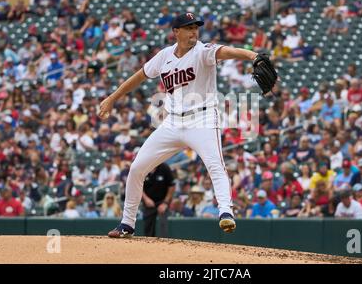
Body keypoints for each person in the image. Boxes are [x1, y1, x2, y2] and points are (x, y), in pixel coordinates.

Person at [100, 12, 262, 237]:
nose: (194, 31)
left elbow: (227, 51)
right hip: (172, 122)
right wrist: (111, 99)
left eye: (196, 27)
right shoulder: (164, 56)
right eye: (188, 27)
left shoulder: (202, 51)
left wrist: (253, 56)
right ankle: (127, 224)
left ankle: (225, 212)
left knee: (216, 165)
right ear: (176, 32)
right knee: (137, 168)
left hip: (202, 119)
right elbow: (138, 77)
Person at [141, 162, 175, 237]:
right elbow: (138, 185)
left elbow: (172, 186)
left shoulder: (164, 167)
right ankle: (148, 246)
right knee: (148, 228)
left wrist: (165, 203)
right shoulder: (143, 167)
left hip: (162, 201)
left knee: (163, 225)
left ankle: (164, 245)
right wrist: (146, 199)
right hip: (148, 202)